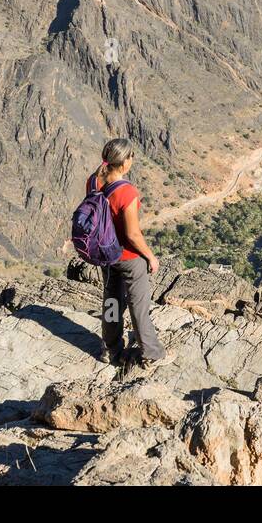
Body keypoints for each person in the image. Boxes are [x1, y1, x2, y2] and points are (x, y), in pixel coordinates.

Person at [88, 138, 166, 370]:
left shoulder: (93, 181)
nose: (132, 161)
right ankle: (151, 352)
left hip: (105, 255)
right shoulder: (127, 192)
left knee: (111, 300)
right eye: (131, 157)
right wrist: (151, 257)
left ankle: (110, 348)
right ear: (123, 163)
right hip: (128, 258)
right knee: (138, 305)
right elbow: (132, 234)